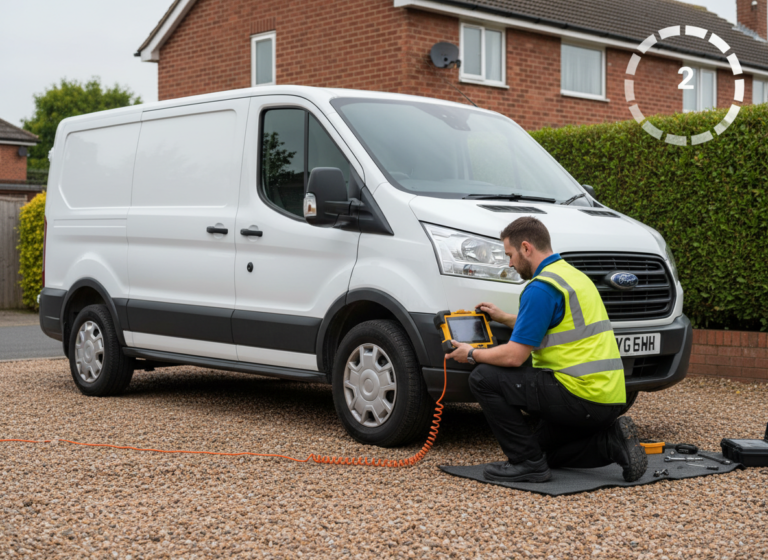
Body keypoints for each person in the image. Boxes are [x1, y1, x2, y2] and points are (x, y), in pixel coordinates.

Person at [447, 217, 647, 483]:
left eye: (510, 255)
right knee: (542, 449)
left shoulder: (541, 288)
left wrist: (470, 354)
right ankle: (611, 443)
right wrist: (505, 317)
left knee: (483, 377)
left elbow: (513, 357)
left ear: (526, 248)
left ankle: (527, 464)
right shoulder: (573, 277)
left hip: (578, 395)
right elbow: (551, 325)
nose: (510, 264)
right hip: (608, 399)